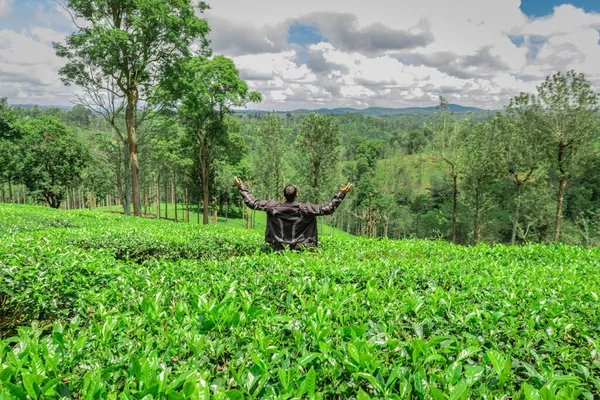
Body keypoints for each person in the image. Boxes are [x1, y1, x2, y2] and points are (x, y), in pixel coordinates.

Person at [234, 176, 352, 251]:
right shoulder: (305, 208)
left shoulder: (272, 206)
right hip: (302, 248)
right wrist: (341, 194)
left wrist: (241, 187)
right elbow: (327, 209)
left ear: (283, 195)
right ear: (297, 195)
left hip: (278, 248)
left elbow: (253, 203)